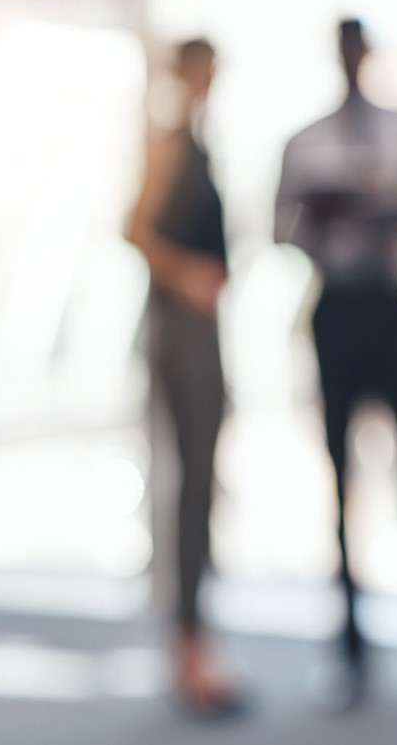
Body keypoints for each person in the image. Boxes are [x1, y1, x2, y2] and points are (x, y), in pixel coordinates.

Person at [275, 19, 397, 703]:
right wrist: (324, 216)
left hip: (388, 304)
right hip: (336, 310)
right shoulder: (304, 141)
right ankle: (350, 649)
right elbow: (278, 227)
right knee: (340, 483)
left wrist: (389, 206)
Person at [127, 38, 237, 711]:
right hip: (181, 331)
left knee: (203, 483)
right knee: (192, 485)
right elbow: (134, 229)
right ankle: (189, 645)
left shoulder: (196, 141)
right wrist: (189, 276)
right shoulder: (171, 142)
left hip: (200, 329)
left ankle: (195, 639)